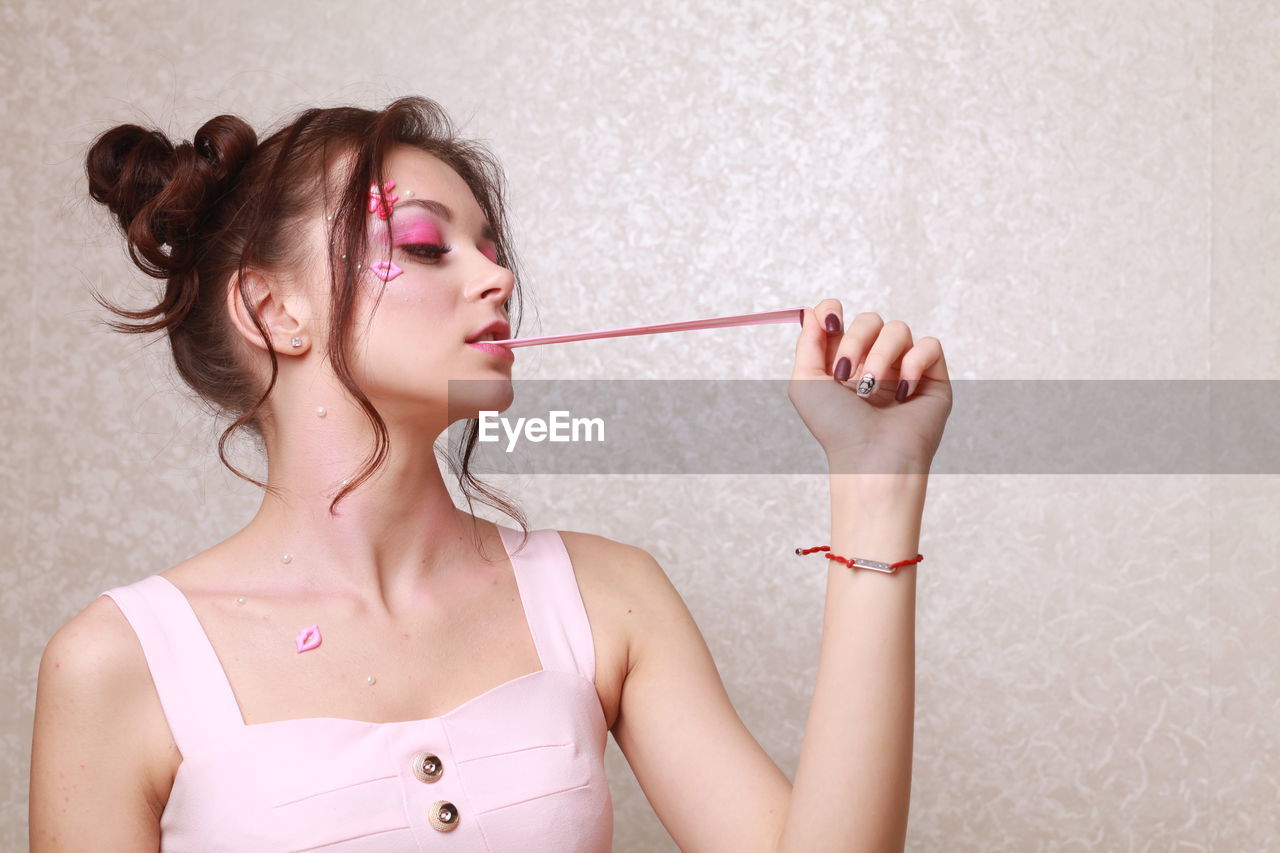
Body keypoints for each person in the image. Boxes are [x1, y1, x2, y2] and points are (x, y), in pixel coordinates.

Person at [29, 95, 953, 851]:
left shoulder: (608, 596)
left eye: (493, 249)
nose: (498, 279)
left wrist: (879, 485)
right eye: (429, 246)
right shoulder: (115, 664)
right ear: (273, 308)